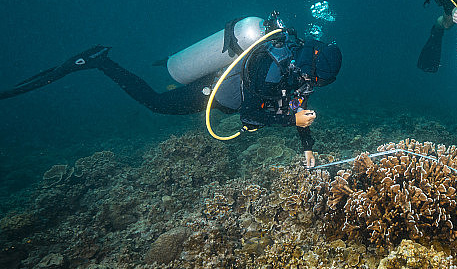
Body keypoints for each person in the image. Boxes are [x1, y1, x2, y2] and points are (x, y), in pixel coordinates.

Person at [0, 22, 342, 168]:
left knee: (167, 94)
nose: (313, 86)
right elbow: (250, 115)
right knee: (156, 104)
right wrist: (292, 121)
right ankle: (100, 62)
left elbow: (298, 106)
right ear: (311, 65)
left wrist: (307, 146)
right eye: (316, 80)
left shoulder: (297, 70)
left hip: (227, 87)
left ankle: (160, 67)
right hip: (215, 94)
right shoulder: (272, 64)